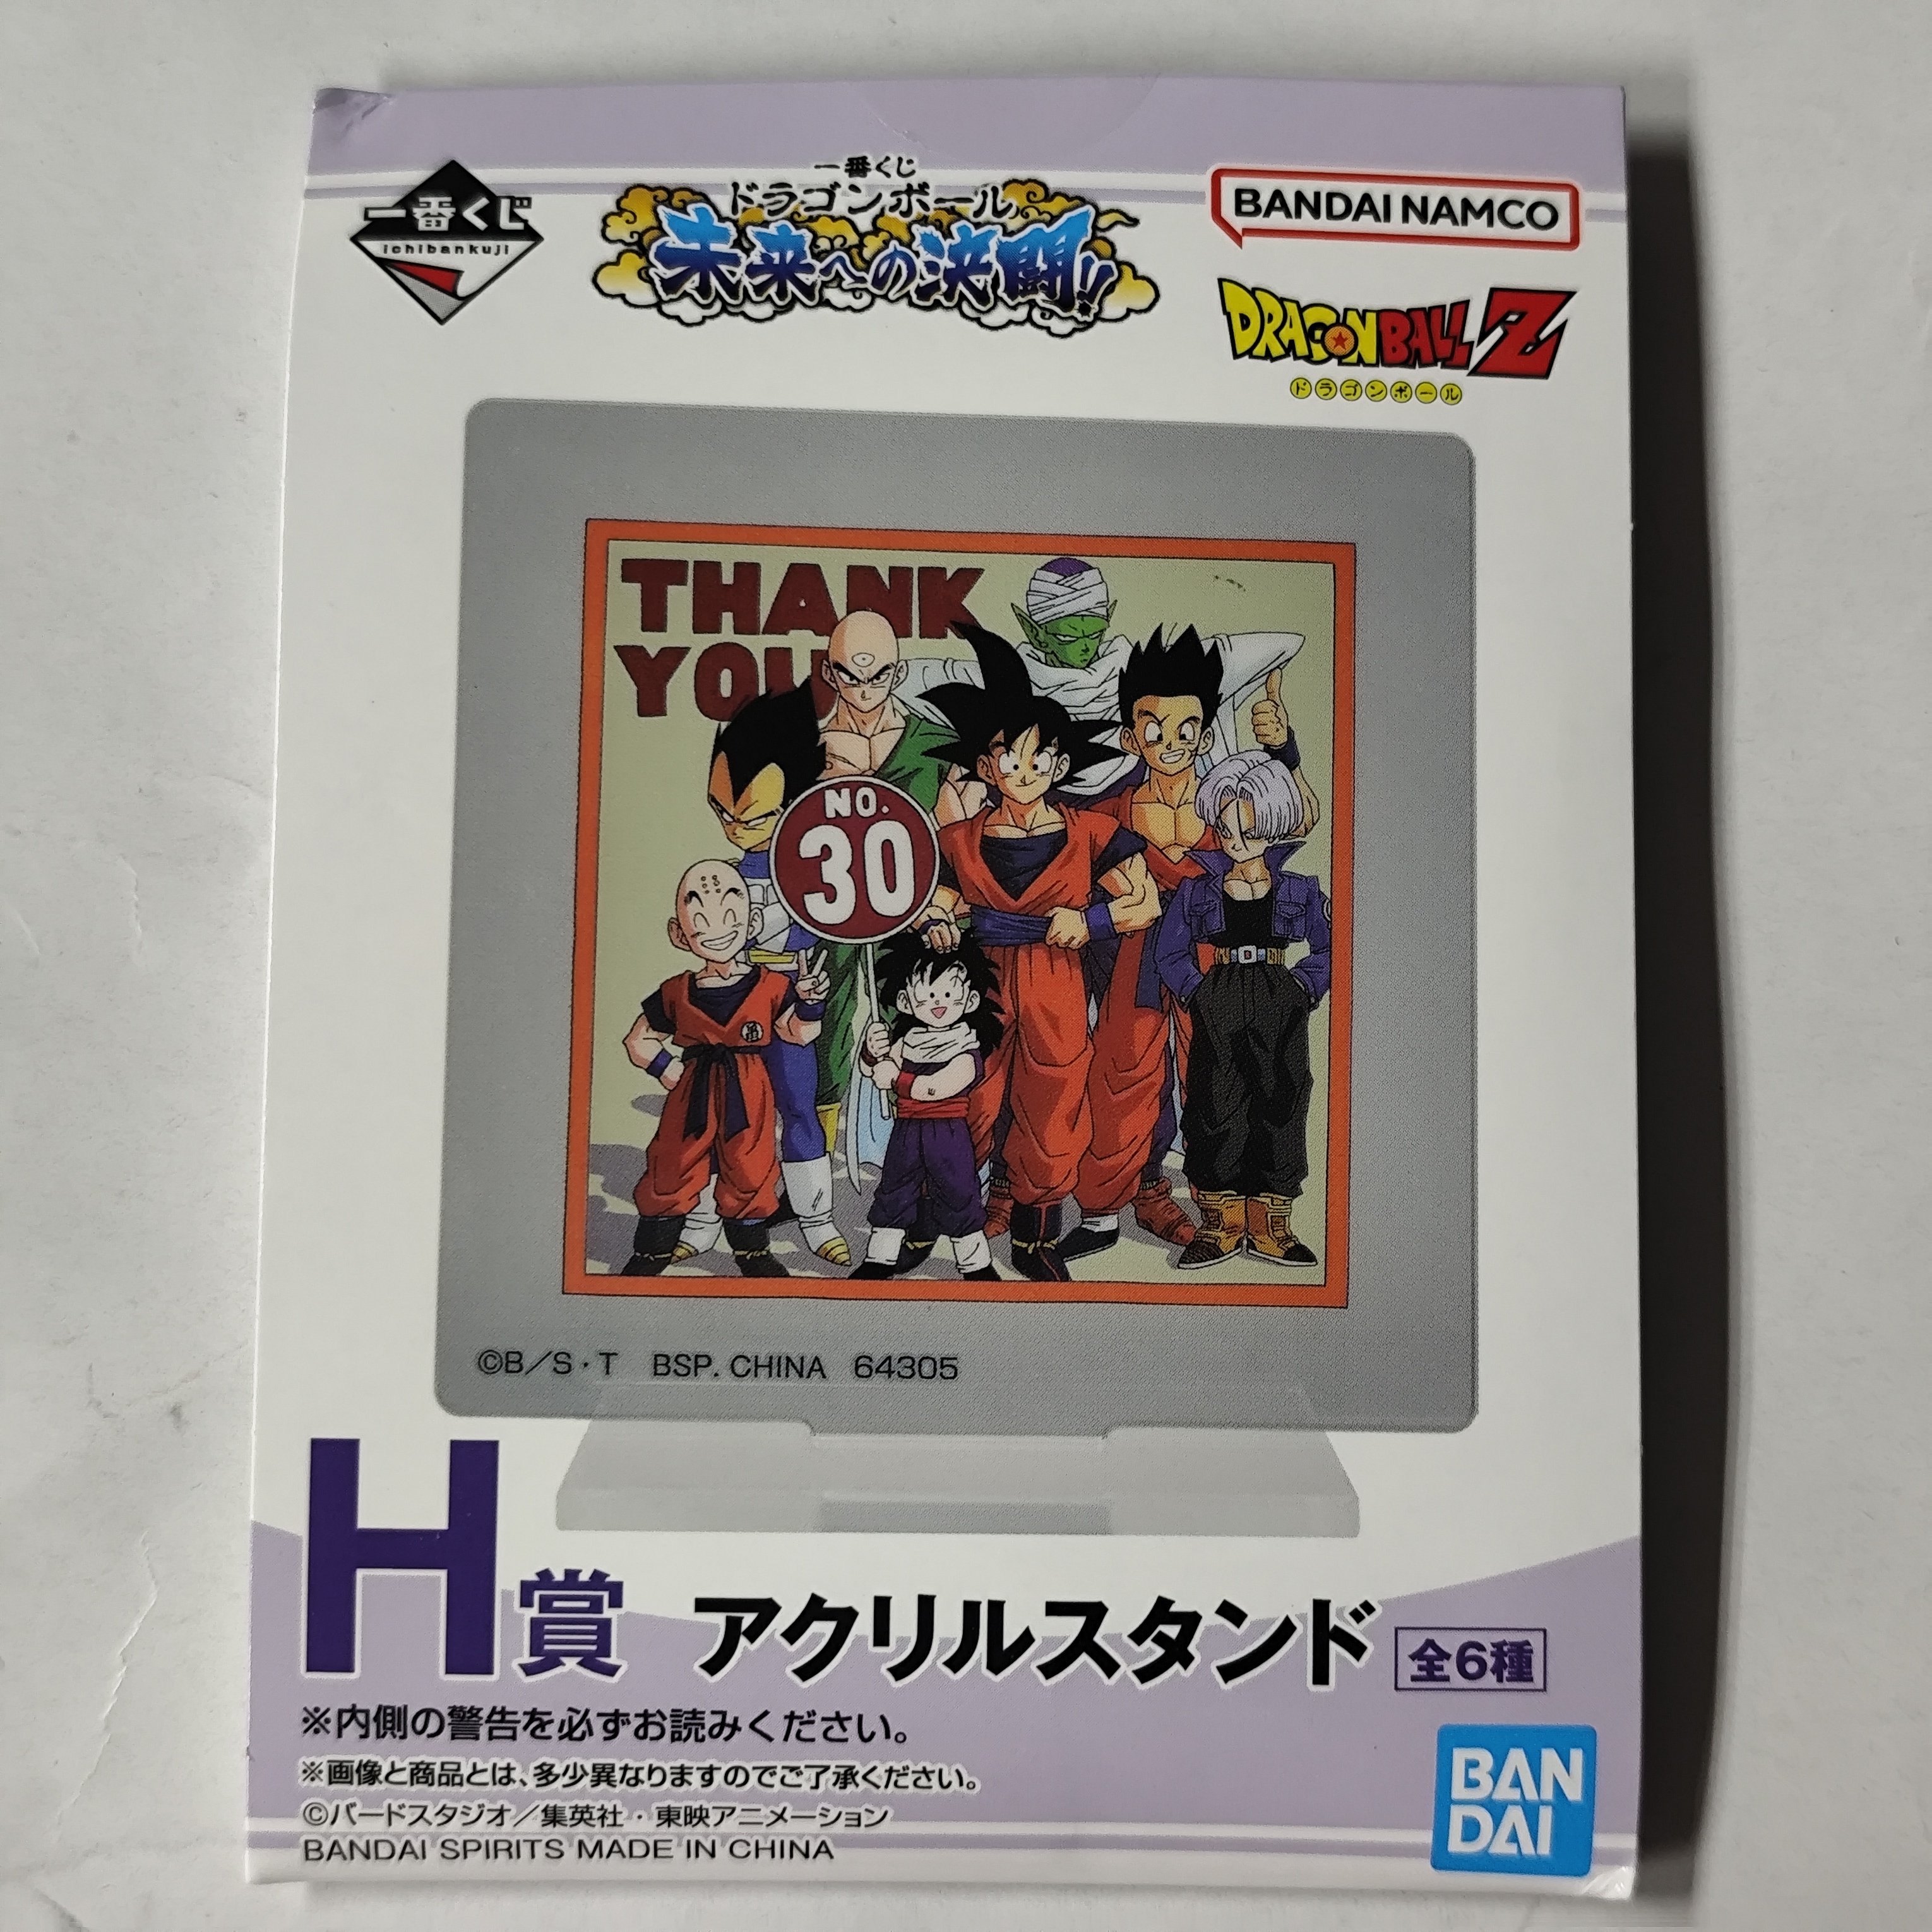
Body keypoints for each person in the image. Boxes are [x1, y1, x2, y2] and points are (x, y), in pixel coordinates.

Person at [1063, 633, 1320, 1265]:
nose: (1171, 743)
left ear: (1205, 736)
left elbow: (1300, 819)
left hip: (1220, 959)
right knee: (1123, 1077)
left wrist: (1284, 750)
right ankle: (1110, 1206)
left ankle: (1223, 1210)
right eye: (1154, 730)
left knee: (1218, 1083)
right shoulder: (1110, 811)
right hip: (1138, 961)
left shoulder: (1229, 803)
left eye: (1186, 729)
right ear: (1131, 737)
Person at [917, 624, 1161, 1281]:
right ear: (986, 767)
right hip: (980, 985)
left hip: (1056, 984)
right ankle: (943, 1223)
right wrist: (939, 924)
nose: (1023, 772)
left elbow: (1144, 903)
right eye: (1008, 759)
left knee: (1053, 1108)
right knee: (968, 1100)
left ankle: (1034, 1239)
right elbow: (941, 901)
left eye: (1039, 759)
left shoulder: (1093, 831)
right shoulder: (958, 838)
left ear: (1059, 765)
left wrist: (1092, 919)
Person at [1153, 749, 1332, 1268]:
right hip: (1220, 995)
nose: (1236, 842)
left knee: (1283, 1098)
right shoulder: (1196, 890)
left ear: (1274, 824)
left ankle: (1272, 1226)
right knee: (1215, 1102)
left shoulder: (1301, 889)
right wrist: (1197, 993)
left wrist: (1303, 988)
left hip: (1280, 994)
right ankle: (1220, 1225)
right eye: (1227, 830)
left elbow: (1330, 948)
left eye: (1249, 830)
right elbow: (1170, 953)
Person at [689, 685, 847, 1263]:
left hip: (786, 1002)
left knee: (799, 1107)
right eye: (722, 813)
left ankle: (817, 1219)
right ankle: (704, 1221)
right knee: (719, 1113)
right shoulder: (721, 874)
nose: (735, 827)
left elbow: (831, 937)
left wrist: (808, 1005)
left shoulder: (814, 871)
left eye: (753, 816)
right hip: (732, 1003)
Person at [620, 859, 829, 1277]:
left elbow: (799, 1034)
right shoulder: (676, 991)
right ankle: (650, 1253)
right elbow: (638, 1039)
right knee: (673, 1164)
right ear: (680, 934)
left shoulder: (772, 985)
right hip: (692, 1095)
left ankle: (753, 1254)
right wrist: (668, 1070)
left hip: (749, 1093)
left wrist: (810, 1002)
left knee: (751, 1167)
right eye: (700, 921)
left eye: (730, 917)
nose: (717, 929)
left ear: (751, 924)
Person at [812, 610, 963, 1152]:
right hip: (831, 907)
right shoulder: (808, 747)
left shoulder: (935, 742)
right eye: (850, 675)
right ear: (829, 673)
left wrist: (942, 904)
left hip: (914, 906)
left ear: (898, 674)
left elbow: (957, 840)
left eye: (878, 676)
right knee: (827, 1016)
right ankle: (818, 1153)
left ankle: (912, 1142)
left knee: (913, 1015)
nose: (864, 689)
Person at [850, 930, 1004, 1282]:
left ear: (970, 1000)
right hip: (906, 1132)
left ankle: (976, 1263)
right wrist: (873, 1054)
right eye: (929, 994)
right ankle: (880, 1258)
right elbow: (875, 1072)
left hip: (947, 1133)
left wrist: (897, 1079)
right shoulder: (909, 1040)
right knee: (895, 1189)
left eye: (949, 993)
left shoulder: (965, 1046)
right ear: (906, 1001)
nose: (939, 1002)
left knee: (959, 1191)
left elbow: (937, 1087)